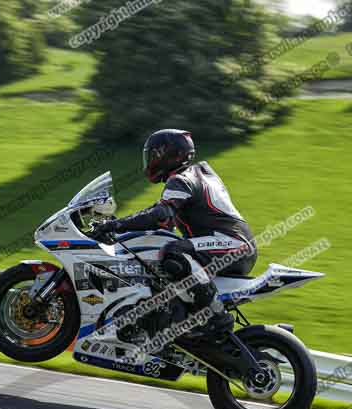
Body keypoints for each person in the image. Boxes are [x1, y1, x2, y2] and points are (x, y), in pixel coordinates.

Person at [90, 129, 257, 337]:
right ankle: (180, 319)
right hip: (230, 245)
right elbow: (162, 222)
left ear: (168, 154)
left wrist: (114, 226)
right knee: (162, 260)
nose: (150, 160)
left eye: (153, 155)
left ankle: (216, 317)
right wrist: (120, 226)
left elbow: (159, 213)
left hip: (233, 244)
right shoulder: (196, 175)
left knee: (174, 252)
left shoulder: (181, 179)